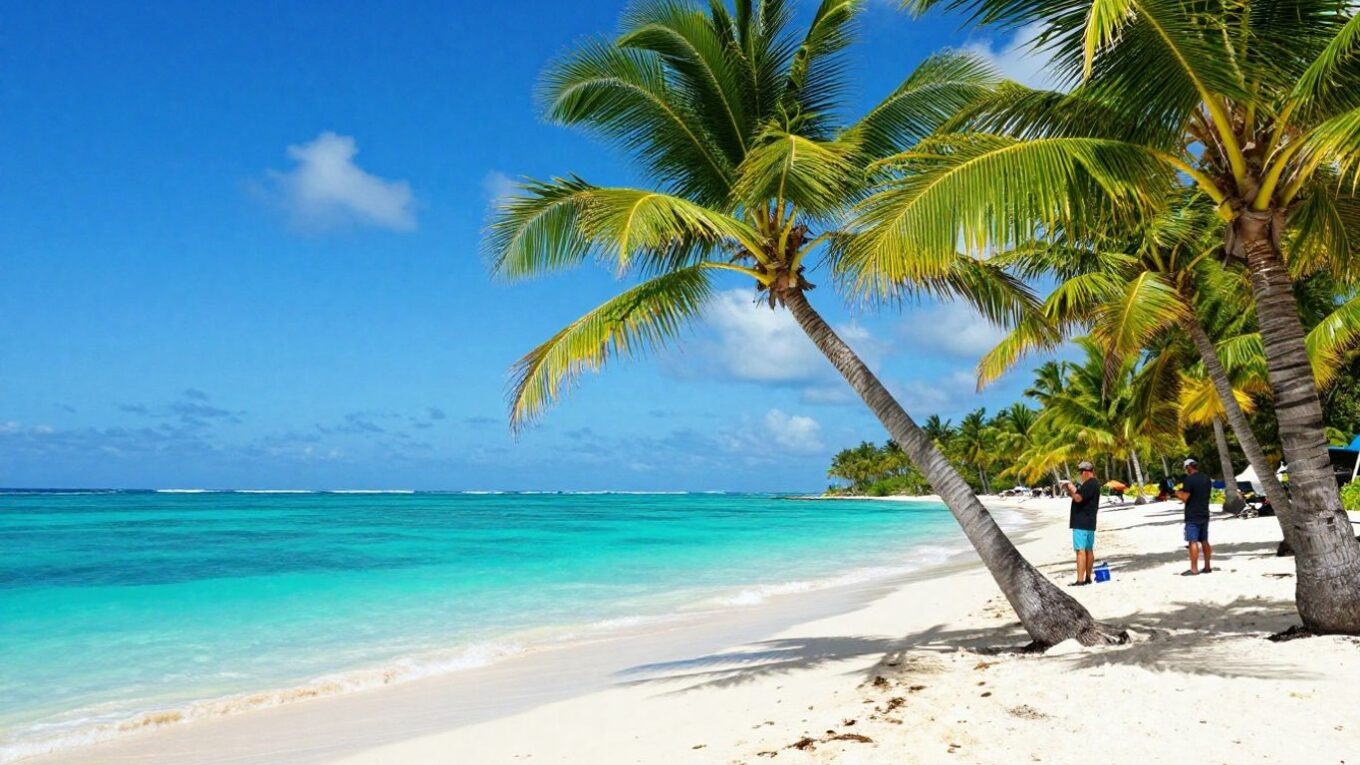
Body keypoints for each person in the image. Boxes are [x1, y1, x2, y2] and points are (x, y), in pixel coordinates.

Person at [1061, 461, 1101, 586]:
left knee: (1080, 551)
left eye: (1080, 473)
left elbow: (1078, 498)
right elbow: (1080, 496)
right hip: (1090, 521)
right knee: (1089, 550)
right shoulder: (1094, 484)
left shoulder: (1089, 483)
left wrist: (1069, 487)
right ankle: (1088, 577)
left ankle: (1080, 580)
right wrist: (1071, 490)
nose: (1080, 475)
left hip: (1081, 522)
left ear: (1084, 472)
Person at [1175, 458, 1213, 575]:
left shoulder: (1189, 479)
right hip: (1204, 512)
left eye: (1185, 468)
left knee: (1193, 542)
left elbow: (1185, 498)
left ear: (1188, 467)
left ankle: (1194, 569)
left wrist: (1177, 493)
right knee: (1204, 541)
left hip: (1192, 514)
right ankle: (1207, 567)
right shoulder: (1206, 478)